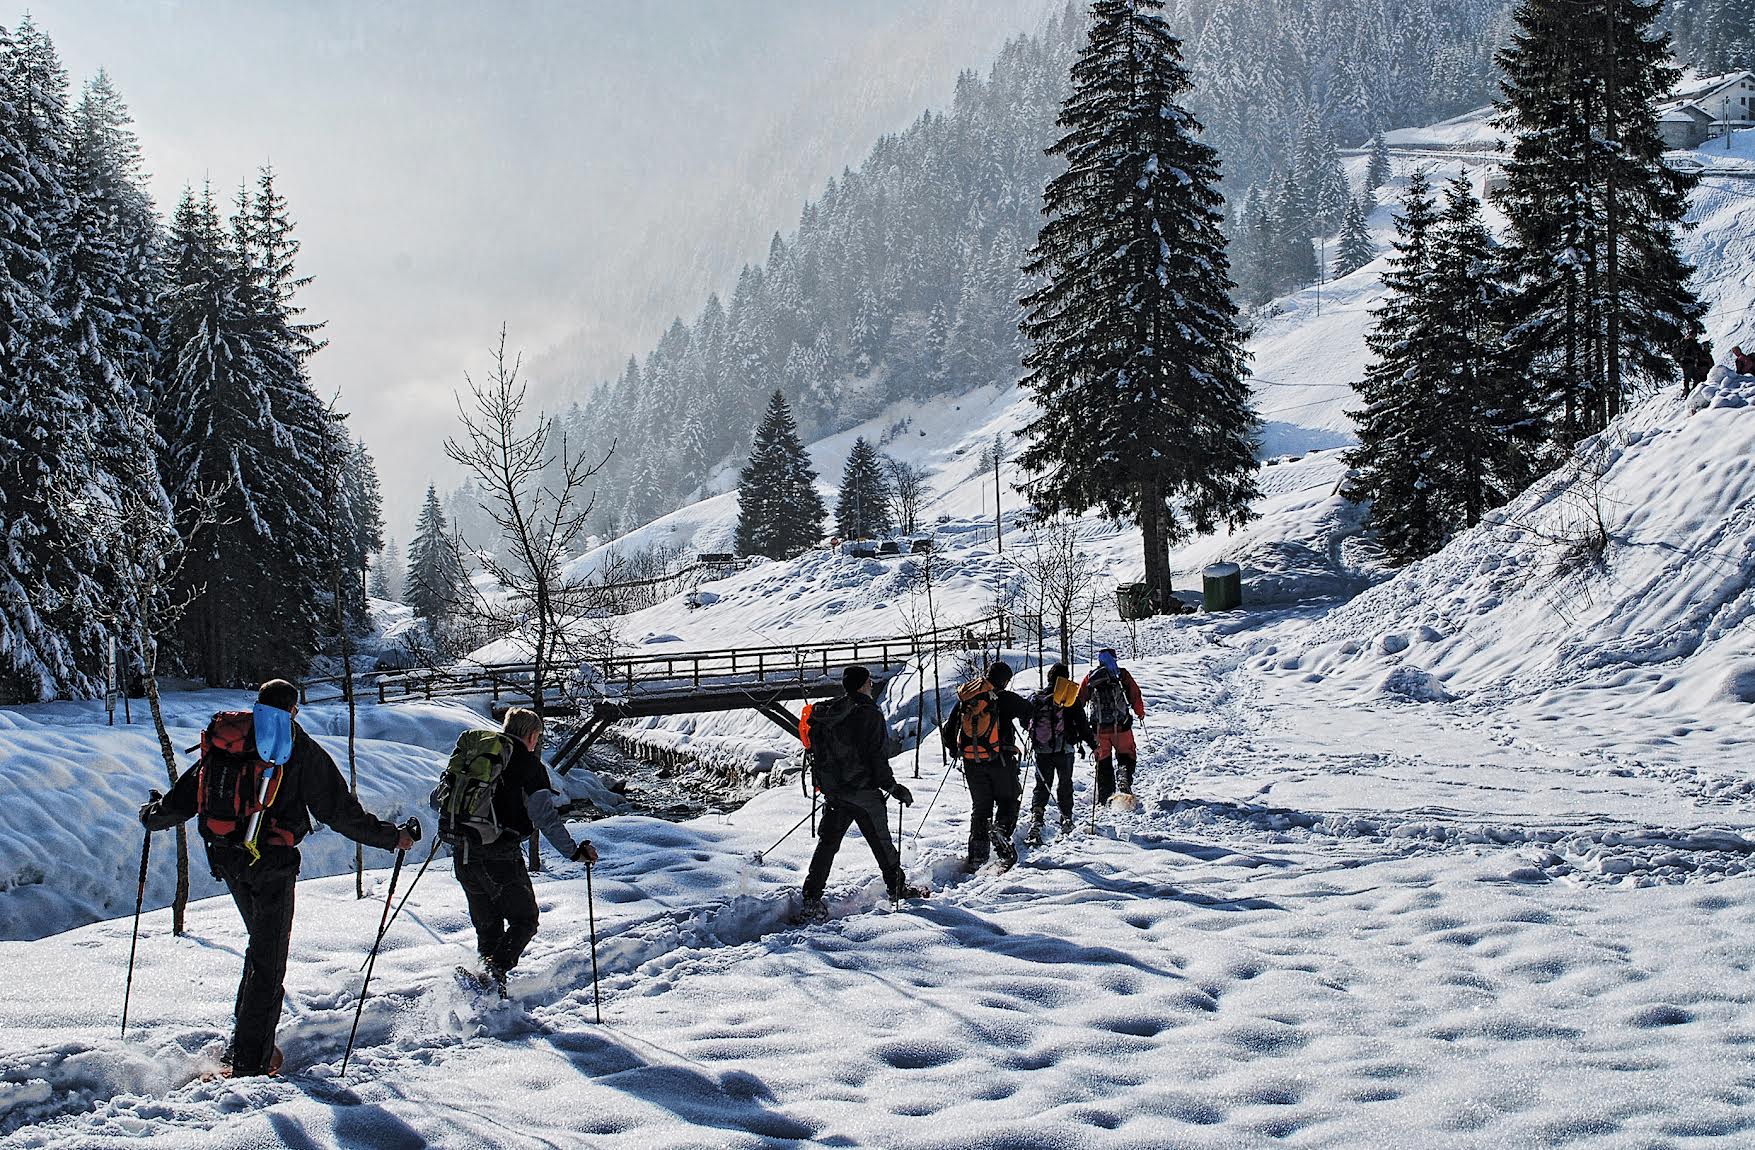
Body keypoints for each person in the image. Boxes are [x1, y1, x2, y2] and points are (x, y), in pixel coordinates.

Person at [138, 679, 417, 1077]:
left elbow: (188, 795)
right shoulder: (296, 747)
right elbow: (339, 812)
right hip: (271, 866)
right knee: (269, 964)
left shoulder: (232, 739)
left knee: (260, 950)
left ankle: (247, 1046)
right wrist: (393, 838)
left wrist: (154, 815)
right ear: (294, 711)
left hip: (227, 859)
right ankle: (250, 1063)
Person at [446, 707, 598, 997]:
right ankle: (489, 977)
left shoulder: (481, 759)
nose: (535, 743)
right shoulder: (528, 766)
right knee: (524, 920)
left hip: (464, 855)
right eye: (537, 738)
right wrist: (575, 852)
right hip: (499, 857)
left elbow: (441, 799)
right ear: (531, 735)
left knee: (489, 932)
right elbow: (546, 818)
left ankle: (487, 1000)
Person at [799, 666, 923, 921]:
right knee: (882, 842)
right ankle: (896, 889)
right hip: (863, 791)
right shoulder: (869, 713)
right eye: (869, 681)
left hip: (835, 791)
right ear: (864, 684)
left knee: (827, 844)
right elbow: (876, 757)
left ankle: (811, 897)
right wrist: (893, 787)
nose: (871, 685)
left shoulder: (827, 711)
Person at [941, 660, 1033, 870]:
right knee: (1008, 800)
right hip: (1000, 761)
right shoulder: (1005, 698)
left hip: (972, 763)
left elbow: (949, 731)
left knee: (981, 808)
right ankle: (1000, 833)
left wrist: (955, 750)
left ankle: (976, 857)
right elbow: (1029, 712)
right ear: (1005, 681)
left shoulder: (967, 698)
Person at [1023, 663, 1097, 840]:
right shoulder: (1070, 698)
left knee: (1042, 786)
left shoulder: (1036, 697)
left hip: (1042, 750)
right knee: (1065, 784)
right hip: (1065, 749)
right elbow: (1082, 724)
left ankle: (1037, 818)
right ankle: (1066, 819)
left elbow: (1025, 719)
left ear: (1049, 677)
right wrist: (1093, 745)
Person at [1078, 649, 1146, 805]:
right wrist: (1140, 713)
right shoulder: (1121, 675)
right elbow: (1135, 694)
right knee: (1127, 755)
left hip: (1099, 730)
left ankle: (1105, 798)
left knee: (1103, 762)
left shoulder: (1091, 677)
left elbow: (1079, 700)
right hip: (1121, 727)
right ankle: (1124, 774)